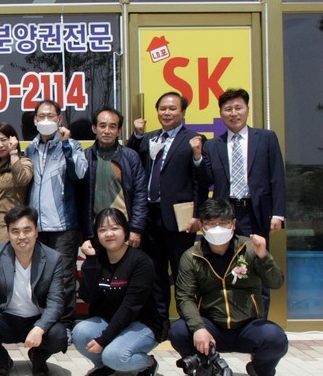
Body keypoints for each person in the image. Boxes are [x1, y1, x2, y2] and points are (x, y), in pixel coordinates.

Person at [170, 198, 286, 376]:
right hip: (212, 327)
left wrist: (263, 256)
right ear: (202, 226)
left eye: (223, 223)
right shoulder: (192, 256)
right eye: (211, 224)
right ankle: (205, 366)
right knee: (179, 331)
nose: (217, 228)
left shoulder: (249, 248)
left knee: (275, 338)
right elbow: (185, 297)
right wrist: (199, 328)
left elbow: (276, 282)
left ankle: (260, 371)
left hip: (247, 326)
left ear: (233, 224)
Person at [128, 91, 208, 325]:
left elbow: (201, 181)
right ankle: (160, 323)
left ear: (182, 112)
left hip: (179, 218)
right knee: (155, 273)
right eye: (162, 108)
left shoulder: (194, 139)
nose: (167, 113)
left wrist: (197, 215)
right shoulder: (149, 138)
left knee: (183, 272)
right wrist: (136, 135)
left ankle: (188, 323)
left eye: (172, 108)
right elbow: (131, 157)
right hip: (149, 216)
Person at [0, 206, 68, 376]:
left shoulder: (53, 258)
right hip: (6, 318)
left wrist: (39, 328)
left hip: (36, 319)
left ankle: (38, 358)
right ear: (8, 233)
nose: (21, 236)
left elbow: (56, 302)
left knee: (59, 335)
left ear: (36, 232)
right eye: (15, 231)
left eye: (27, 230)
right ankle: (2, 362)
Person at [74, 208, 164, 376]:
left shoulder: (141, 262)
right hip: (109, 321)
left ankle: (148, 364)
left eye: (115, 228)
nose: (109, 234)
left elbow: (130, 307)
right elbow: (87, 296)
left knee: (115, 356)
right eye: (102, 230)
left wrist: (103, 340)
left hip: (141, 324)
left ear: (125, 231)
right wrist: (90, 261)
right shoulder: (97, 259)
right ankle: (105, 366)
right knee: (80, 332)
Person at [193, 88, 286, 239]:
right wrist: (198, 158)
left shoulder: (266, 138)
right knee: (224, 253)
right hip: (223, 213)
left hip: (256, 212)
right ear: (221, 113)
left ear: (247, 110)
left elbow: (277, 178)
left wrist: (278, 214)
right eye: (228, 109)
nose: (234, 113)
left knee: (255, 252)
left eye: (238, 108)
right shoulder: (212, 145)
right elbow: (205, 181)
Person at [24, 100, 86, 317]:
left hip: (63, 225)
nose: (46, 120)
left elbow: (79, 173)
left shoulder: (72, 145)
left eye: (50, 116)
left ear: (59, 119)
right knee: (39, 275)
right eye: (41, 116)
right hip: (37, 226)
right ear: (35, 120)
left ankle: (65, 322)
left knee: (64, 276)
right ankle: (42, 320)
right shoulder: (30, 149)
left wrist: (66, 144)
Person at [82, 106, 147, 243]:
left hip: (124, 230)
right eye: (102, 126)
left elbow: (140, 195)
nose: (107, 131)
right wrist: (84, 234)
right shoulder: (84, 157)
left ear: (118, 131)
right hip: (96, 230)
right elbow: (79, 198)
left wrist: (136, 229)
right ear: (94, 128)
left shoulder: (130, 157)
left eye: (112, 127)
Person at [0, 122, 33, 242]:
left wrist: (13, 153)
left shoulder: (24, 162)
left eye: (3, 140)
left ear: (13, 140)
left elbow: (22, 180)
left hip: (10, 221)